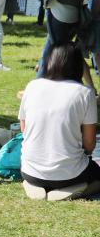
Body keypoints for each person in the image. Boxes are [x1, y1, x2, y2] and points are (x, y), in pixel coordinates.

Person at [19, 42, 100, 198]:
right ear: (78, 66)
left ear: (49, 61)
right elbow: (89, 144)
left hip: (30, 171)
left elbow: (24, 130)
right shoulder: (85, 93)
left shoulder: (32, 86)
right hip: (69, 175)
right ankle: (76, 190)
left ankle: (33, 186)